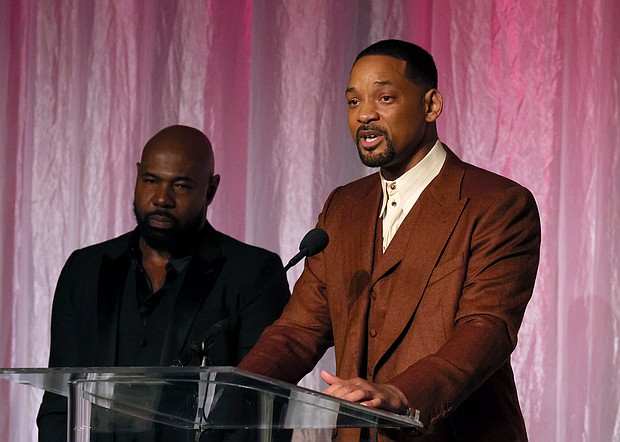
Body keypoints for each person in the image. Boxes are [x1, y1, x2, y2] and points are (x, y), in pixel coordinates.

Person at [238, 39, 541, 441]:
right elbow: (299, 331)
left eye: (384, 97)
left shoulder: (497, 204)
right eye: (352, 102)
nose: (364, 114)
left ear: (430, 105)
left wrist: (402, 394)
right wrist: (234, 389)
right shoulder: (344, 206)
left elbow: (486, 329)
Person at [37, 125, 291, 441]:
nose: (161, 198)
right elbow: (59, 401)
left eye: (181, 186)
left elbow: (260, 410)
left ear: (211, 190)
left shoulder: (253, 273)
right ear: (137, 175)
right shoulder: (84, 269)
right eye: (151, 180)